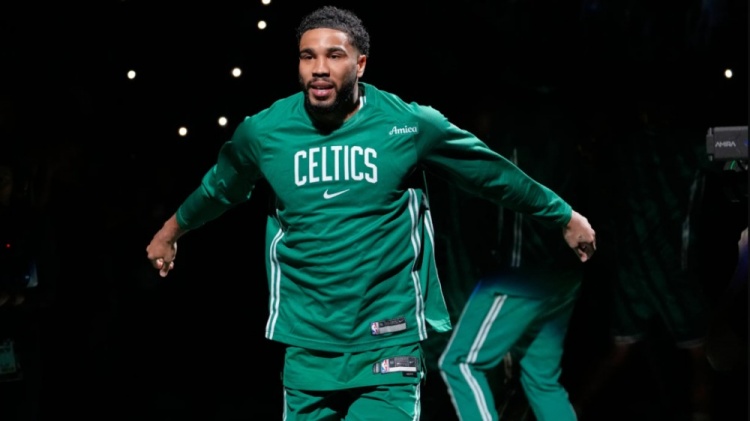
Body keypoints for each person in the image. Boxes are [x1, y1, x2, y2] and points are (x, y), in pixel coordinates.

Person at [145, 5, 596, 420]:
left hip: (388, 341)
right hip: (307, 348)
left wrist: (562, 215)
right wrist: (171, 231)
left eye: (334, 55)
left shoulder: (408, 125)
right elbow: (219, 188)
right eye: (307, 56)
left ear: (360, 64)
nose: (319, 68)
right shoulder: (264, 132)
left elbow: (490, 173)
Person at [436, 97, 593, 421]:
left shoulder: (509, 139)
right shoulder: (564, 132)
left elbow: (499, 192)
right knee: (541, 380)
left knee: (459, 363)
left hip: (525, 273)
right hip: (565, 274)